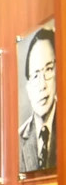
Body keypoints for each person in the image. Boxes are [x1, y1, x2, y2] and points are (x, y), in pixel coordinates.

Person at [19, 28, 57, 172]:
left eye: (48, 70)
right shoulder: (18, 139)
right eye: (35, 76)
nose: (42, 85)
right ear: (28, 88)